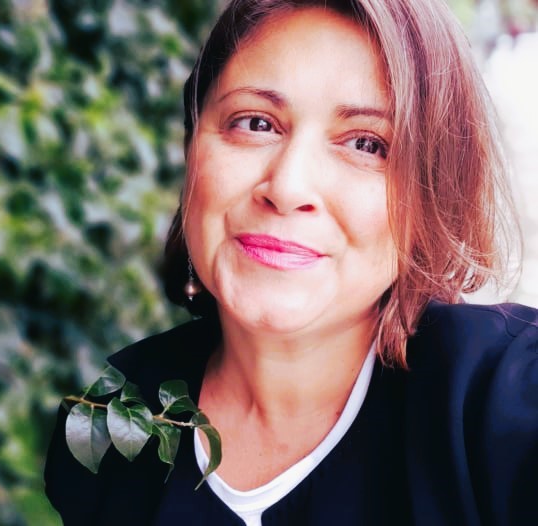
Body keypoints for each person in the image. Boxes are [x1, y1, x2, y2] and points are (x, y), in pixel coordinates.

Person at [44, 0, 538, 524]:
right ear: (192, 147)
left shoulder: (499, 402)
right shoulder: (112, 419)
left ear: (433, 193)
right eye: (256, 123)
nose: (287, 187)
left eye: (366, 144)